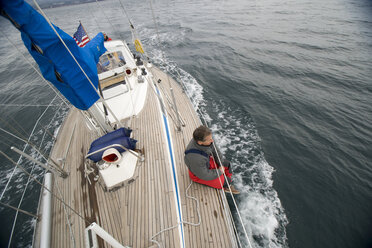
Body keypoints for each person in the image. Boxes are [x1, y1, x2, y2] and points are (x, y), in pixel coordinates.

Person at [184, 125, 240, 194]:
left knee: (227, 164)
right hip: (199, 174)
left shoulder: (207, 141)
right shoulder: (195, 158)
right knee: (225, 181)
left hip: (205, 163)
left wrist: (220, 164)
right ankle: (226, 185)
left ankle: (226, 179)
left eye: (211, 138)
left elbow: (216, 151)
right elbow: (204, 175)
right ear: (200, 142)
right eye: (209, 139)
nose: (212, 140)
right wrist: (219, 172)